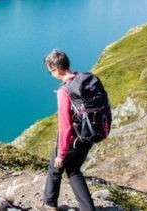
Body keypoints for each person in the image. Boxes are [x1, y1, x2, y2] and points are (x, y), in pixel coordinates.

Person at [42, 49, 95, 211]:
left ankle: (49, 203)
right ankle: (87, 208)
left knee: (55, 167)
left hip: (74, 137)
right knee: (73, 169)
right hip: (89, 134)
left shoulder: (65, 91)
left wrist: (61, 154)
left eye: (50, 71)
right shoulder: (84, 79)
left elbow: (65, 125)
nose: (51, 74)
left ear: (57, 69)